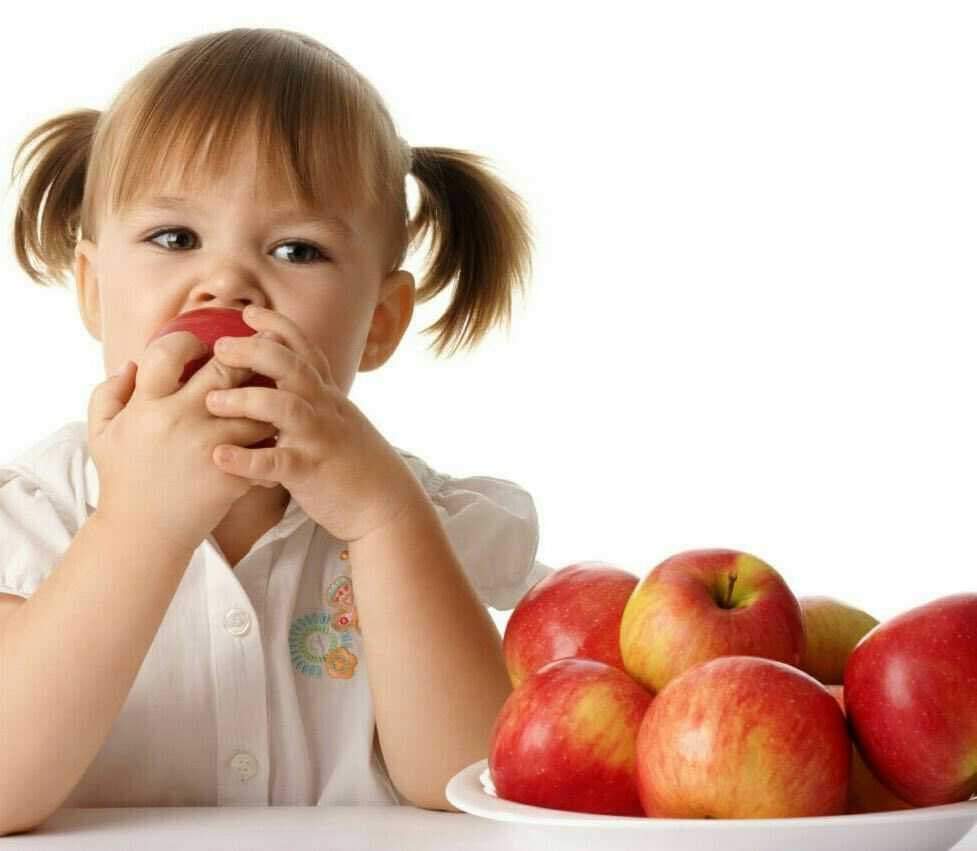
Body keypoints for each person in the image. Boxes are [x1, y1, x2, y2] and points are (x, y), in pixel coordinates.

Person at [0, 27, 551, 830]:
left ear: (379, 321)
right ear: (92, 288)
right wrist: (137, 524)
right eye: (174, 238)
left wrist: (382, 520)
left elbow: (469, 776)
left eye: (296, 249)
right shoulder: (32, 519)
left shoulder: (415, 520)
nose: (226, 282)